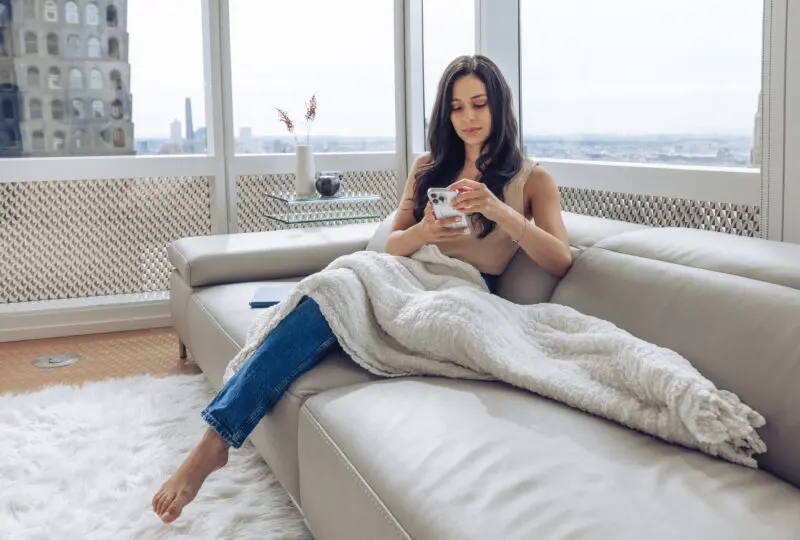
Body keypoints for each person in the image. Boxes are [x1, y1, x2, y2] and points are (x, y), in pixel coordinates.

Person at [151, 54, 572, 524]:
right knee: (330, 291)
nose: (468, 118)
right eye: (456, 107)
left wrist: (499, 211)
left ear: (499, 106)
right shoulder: (429, 167)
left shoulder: (532, 179)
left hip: (459, 290)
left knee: (340, 300)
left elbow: (560, 258)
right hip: (402, 272)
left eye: (479, 104)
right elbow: (394, 245)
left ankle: (217, 438)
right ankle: (214, 442)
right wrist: (425, 232)